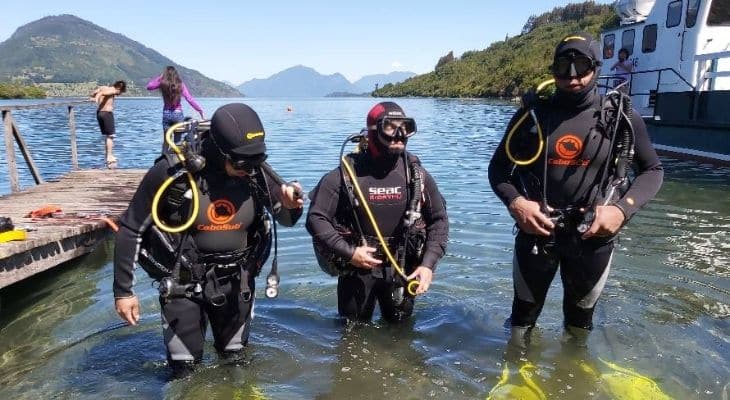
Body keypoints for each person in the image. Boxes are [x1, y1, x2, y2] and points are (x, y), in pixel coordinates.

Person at [488, 32, 663, 346]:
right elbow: (498, 169)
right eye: (562, 66)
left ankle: (574, 377)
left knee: (580, 325)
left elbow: (653, 171)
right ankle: (516, 371)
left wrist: (622, 210)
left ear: (596, 67)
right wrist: (516, 204)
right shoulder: (532, 116)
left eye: (581, 65)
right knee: (522, 319)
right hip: (537, 233)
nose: (572, 76)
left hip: (593, 237)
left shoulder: (621, 117)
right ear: (553, 69)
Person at [113, 103, 303, 377]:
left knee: (236, 362)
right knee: (184, 370)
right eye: (240, 163)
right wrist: (124, 292)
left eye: (255, 162)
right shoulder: (173, 174)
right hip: (184, 286)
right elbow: (130, 228)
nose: (248, 169)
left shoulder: (254, 170)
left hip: (237, 282)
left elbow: (285, 219)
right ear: (219, 149)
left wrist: (290, 206)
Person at [306, 101, 448, 323]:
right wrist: (349, 253)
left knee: (401, 333)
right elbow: (316, 218)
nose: (399, 134)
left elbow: (439, 220)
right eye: (390, 127)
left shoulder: (416, 175)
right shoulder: (346, 174)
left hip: (402, 267)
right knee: (352, 335)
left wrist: (427, 265)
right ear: (373, 131)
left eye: (406, 127)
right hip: (357, 268)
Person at [146, 66, 205, 151]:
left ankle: (163, 161)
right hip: (178, 114)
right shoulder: (180, 84)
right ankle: (177, 162)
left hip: (166, 114)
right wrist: (200, 110)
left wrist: (160, 77)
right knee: (177, 142)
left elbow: (149, 86)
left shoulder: (163, 83)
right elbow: (189, 99)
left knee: (166, 142)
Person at [90, 80, 126, 168]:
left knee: (107, 136)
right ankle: (109, 157)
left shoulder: (103, 87)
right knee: (111, 136)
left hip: (100, 113)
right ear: (119, 88)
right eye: (120, 92)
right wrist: (96, 99)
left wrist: (94, 96)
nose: (119, 94)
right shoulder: (112, 90)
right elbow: (101, 93)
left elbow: (94, 92)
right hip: (106, 114)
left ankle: (108, 156)